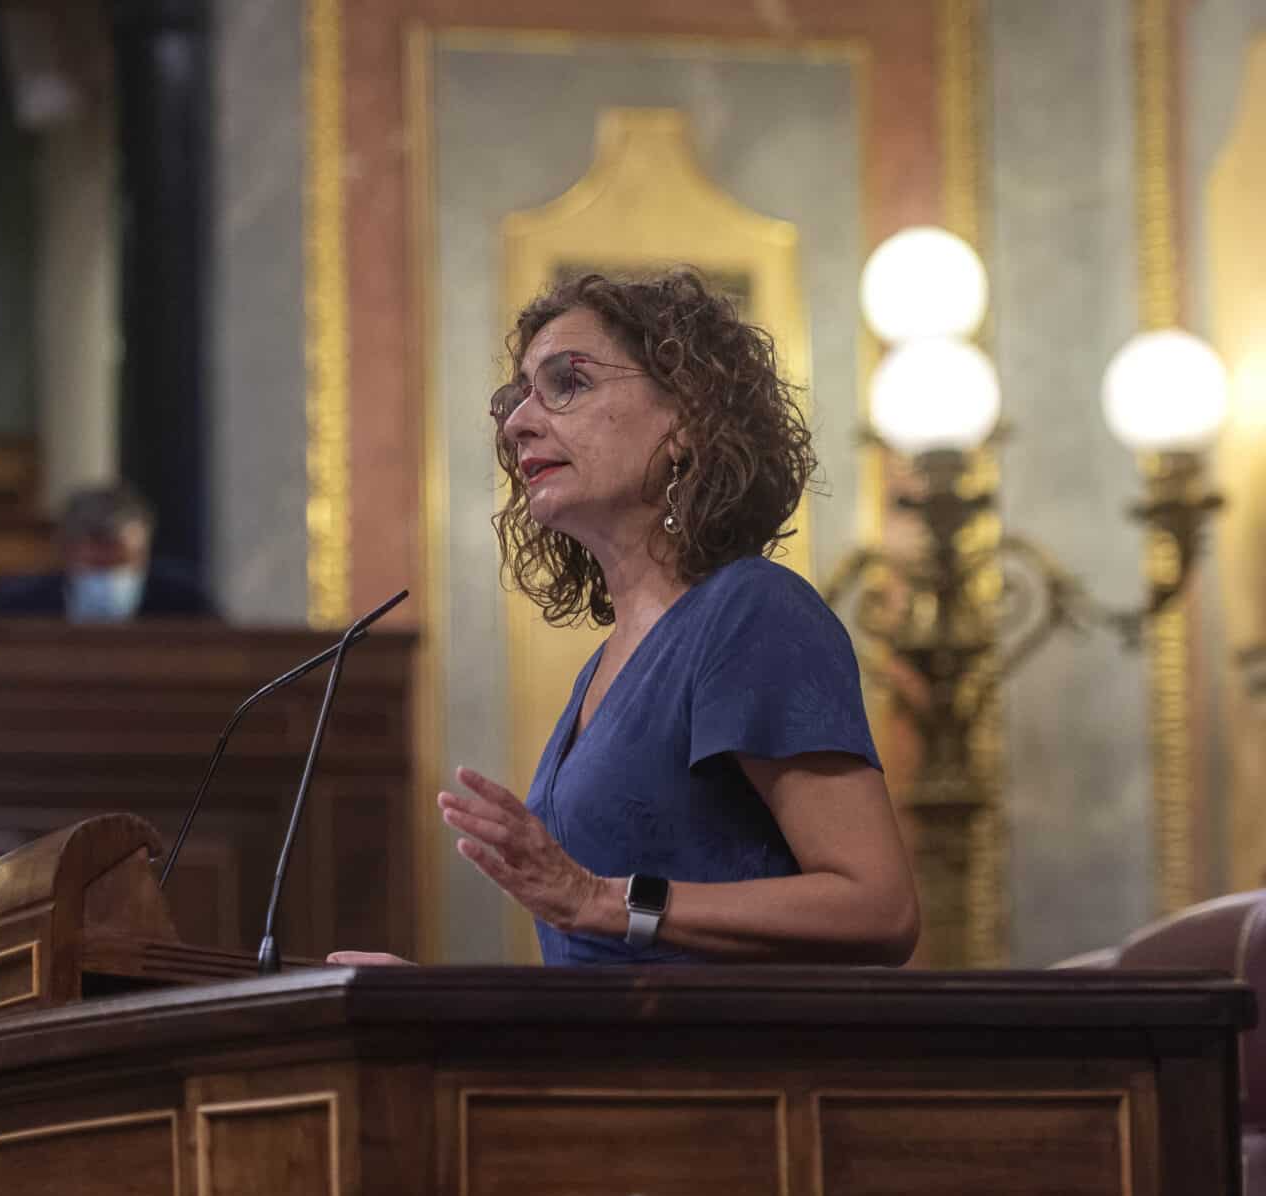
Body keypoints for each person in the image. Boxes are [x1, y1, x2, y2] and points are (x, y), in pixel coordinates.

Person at [331, 270, 918, 968]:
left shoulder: (752, 613)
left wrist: (605, 902)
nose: (518, 422)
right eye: (517, 398)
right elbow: (605, 972)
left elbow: (878, 908)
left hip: (730, 1076)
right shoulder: (605, 665)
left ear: (688, 418)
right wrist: (437, 1008)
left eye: (568, 383)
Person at [0, 482, 215, 622]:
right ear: (67, 552)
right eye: (97, 563)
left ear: (144, 552)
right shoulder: (20, 606)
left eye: (123, 562)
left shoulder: (185, 602)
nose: (110, 575)